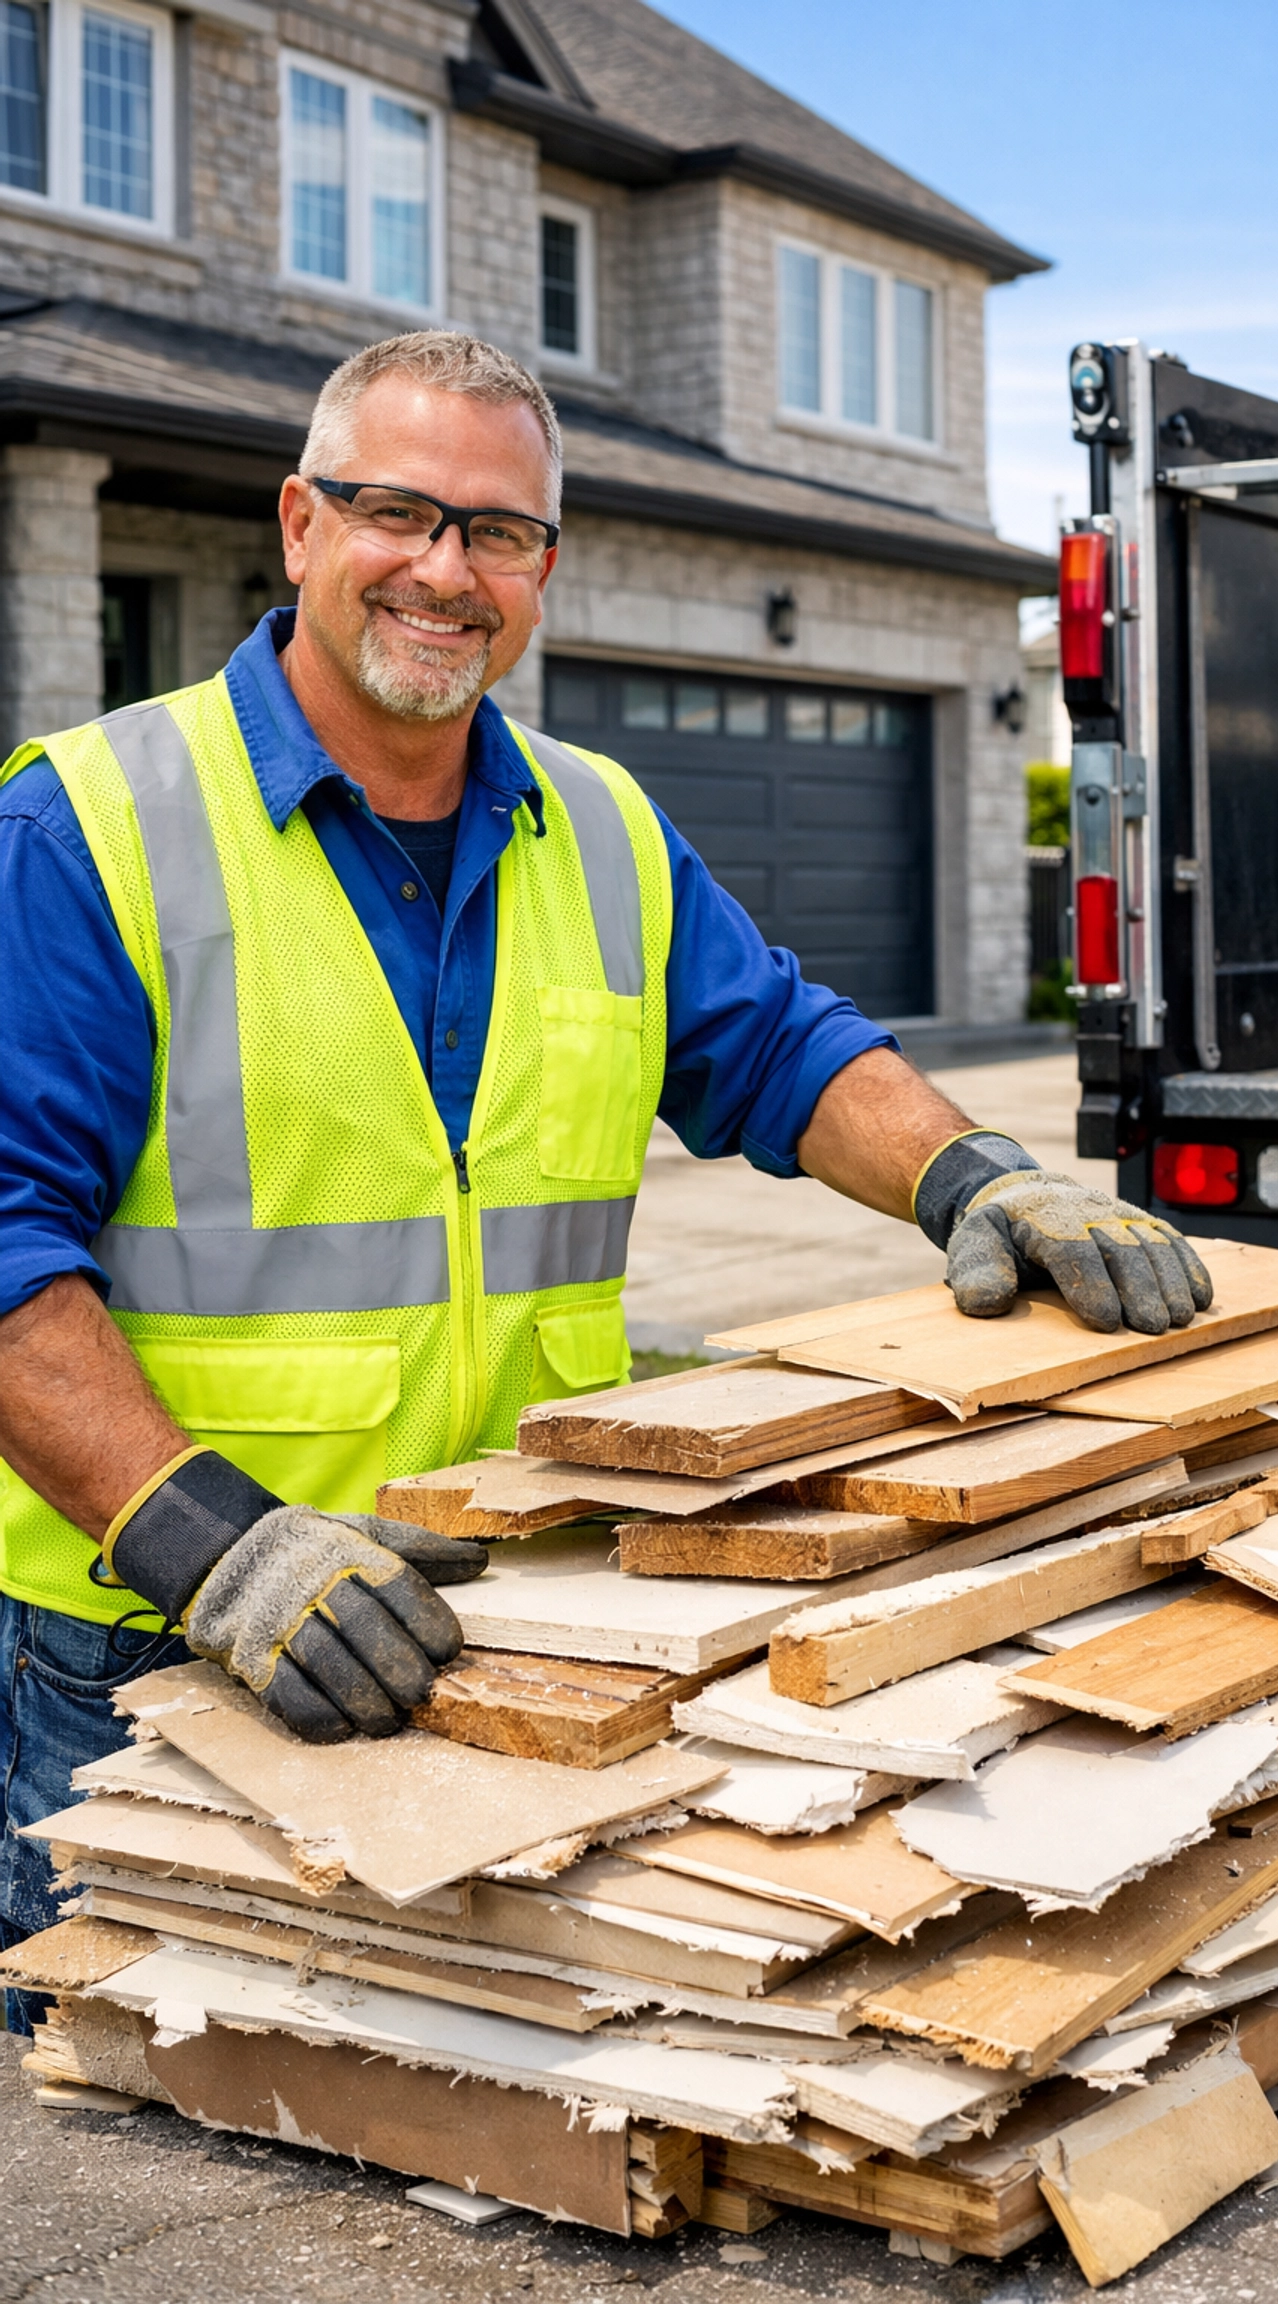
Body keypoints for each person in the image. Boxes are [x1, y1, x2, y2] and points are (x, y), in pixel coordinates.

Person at [0, 331, 1208, 1992]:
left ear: (544, 568)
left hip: (510, 1611)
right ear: (299, 525)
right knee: (142, 2107)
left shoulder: (604, 828)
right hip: (158, 1636)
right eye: (397, 513)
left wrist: (980, 1177)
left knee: (448, 2116)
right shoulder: (90, 825)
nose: (447, 569)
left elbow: (780, 1049)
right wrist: (216, 1545)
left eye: (500, 533)